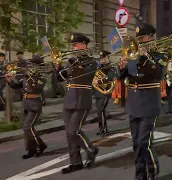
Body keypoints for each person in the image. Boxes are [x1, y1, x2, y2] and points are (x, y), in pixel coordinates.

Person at [118, 23, 167, 180]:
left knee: (144, 142)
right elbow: (122, 76)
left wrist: (145, 56)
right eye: (138, 38)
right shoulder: (133, 54)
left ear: (151, 37)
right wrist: (122, 66)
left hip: (149, 103)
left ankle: (152, 170)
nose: (139, 40)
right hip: (134, 103)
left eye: (142, 37)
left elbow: (158, 74)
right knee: (136, 143)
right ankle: (140, 175)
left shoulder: (160, 55)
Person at [55, 33, 99, 174]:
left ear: (83, 45)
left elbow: (84, 75)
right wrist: (57, 67)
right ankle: (75, 162)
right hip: (69, 99)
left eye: (75, 44)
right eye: (72, 45)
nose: (73, 47)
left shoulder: (92, 61)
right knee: (69, 134)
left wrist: (74, 62)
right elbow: (61, 78)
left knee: (74, 131)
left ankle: (91, 149)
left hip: (82, 99)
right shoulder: (70, 61)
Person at [5, 55, 47, 159]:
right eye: (29, 64)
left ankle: (40, 146)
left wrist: (30, 77)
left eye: (32, 65)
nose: (29, 66)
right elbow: (18, 86)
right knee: (27, 129)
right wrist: (11, 80)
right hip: (26, 103)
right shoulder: (26, 76)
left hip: (35, 105)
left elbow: (36, 89)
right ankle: (31, 149)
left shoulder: (41, 77)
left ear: (38, 66)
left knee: (27, 127)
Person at [92, 50, 114, 136]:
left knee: (100, 110)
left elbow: (110, 77)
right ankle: (102, 128)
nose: (102, 60)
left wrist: (99, 81)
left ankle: (103, 129)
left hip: (105, 92)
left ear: (108, 57)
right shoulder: (98, 67)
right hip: (97, 92)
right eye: (101, 58)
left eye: (104, 58)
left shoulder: (111, 66)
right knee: (99, 111)